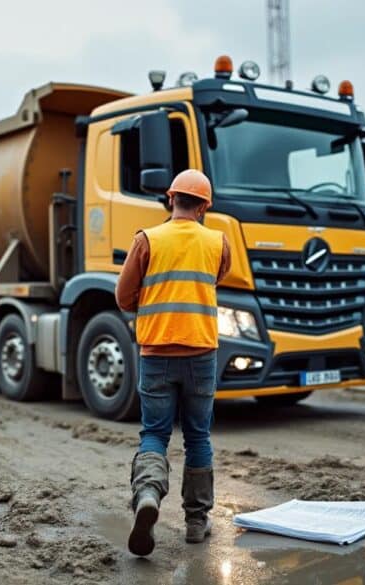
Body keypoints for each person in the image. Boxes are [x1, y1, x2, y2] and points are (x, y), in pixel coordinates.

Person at [115, 169, 231, 556]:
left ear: (170, 200)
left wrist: (145, 306)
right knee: (198, 436)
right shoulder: (218, 242)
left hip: (157, 354)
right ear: (203, 206)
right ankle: (196, 522)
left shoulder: (147, 240)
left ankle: (147, 495)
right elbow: (216, 279)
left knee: (154, 434)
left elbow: (123, 295)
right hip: (201, 354)